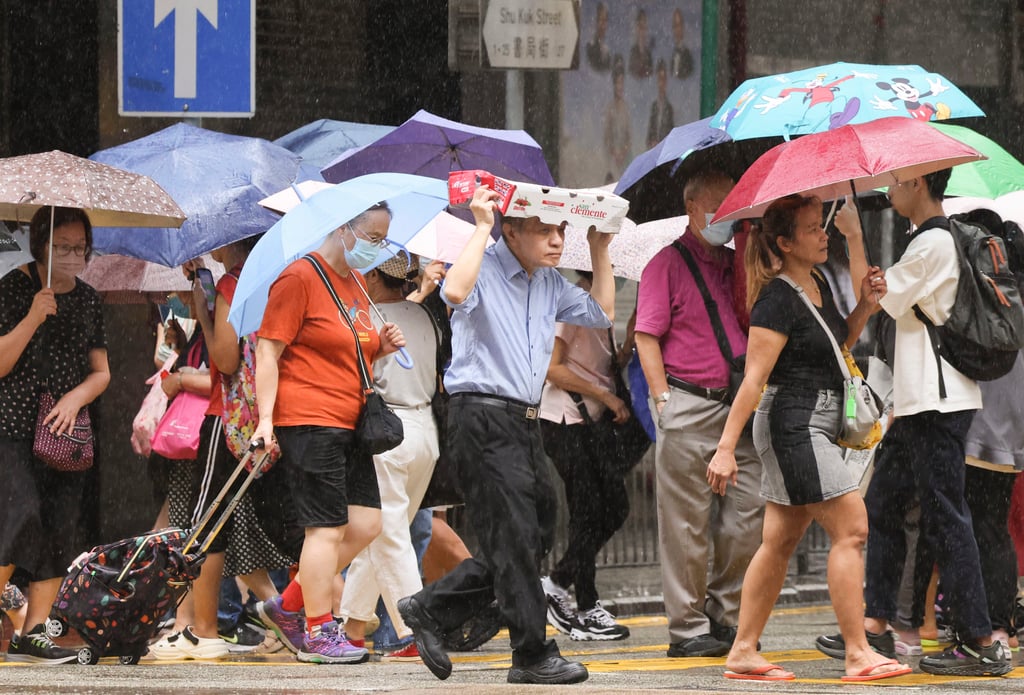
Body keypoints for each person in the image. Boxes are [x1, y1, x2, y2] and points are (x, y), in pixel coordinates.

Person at [397, 184, 616, 685]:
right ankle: (532, 652)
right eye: (544, 230)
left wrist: (600, 251)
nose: (557, 240)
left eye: (560, 230)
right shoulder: (483, 263)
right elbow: (453, 293)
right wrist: (479, 227)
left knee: (539, 527)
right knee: (516, 537)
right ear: (510, 230)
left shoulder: (549, 281)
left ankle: (430, 607)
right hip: (481, 416)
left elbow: (601, 314)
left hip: (525, 419)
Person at [706, 195, 910, 681]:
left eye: (823, 227)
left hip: (813, 420)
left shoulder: (815, 283)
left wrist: (866, 303)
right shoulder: (775, 300)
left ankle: (742, 650)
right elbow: (755, 380)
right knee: (852, 527)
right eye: (813, 229)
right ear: (784, 243)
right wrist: (725, 448)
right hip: (793, 424)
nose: (824, 235)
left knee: (779, 539)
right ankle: (858, 653)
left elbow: (836, 345)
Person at [858, 169, 1013, 677]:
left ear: (920, 183)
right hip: (919, 399)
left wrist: (854, 239)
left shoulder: (932, 242)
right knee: (883, 501)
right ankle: (874, 625)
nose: (890, 189)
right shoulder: (924, 240)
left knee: (947, 515)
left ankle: (978, 640)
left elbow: (883, 300)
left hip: (937, 401)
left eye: (897, 180)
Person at [252, 202, 405, 664]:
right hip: (309, 418)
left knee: (366, 524)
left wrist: (381, 346)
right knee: (326, 528)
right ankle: (318, 631)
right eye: (373, 237)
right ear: (343, 227)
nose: (378, 248)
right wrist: (264, 419)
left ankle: (289, 607)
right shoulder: (299, 277)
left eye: (384, 238)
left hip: (350, 420)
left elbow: (347, 352)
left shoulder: (355, 283)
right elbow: (267, 351)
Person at [634, 171, 764, 658]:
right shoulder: (665, 263)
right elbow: (645, 336)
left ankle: (726, 613)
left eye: (732, 209)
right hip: (688, 401)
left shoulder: (738, 261)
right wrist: (663, 399)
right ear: (691, 208)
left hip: (739, 404)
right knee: (685, 524)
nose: (724, 218)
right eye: (717, 208)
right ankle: (687, 627)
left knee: (748, 516)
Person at [150, 236, 292, 660]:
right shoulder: (278, 279)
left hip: (227, 416)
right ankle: (300, 617)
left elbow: (226, 360)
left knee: (206, 523)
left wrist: (204, 316)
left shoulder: (233, 283)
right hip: (274, 417)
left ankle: (203, 629)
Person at [0, 206, 110, 663]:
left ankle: (34, 632)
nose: (71, 257)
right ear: (39, 245)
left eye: (79, 248)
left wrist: (74, 399)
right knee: (19, 518)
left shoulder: (88, 299)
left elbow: (102, 372)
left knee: (59, 529)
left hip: (65, 435)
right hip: (12, 427)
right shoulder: (13, 288)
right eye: (61, 248)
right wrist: (32, 316)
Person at [338, 253, 440, 660]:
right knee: (378, 535)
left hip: (387, 429)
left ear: (377, 274)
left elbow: (359, 376)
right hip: (424, 430)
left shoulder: (368, 316)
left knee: (385, 533)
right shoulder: (426, 316)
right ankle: (351, 628)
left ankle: (416, 631)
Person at [539, 270, 632, 642]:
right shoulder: (572, 306)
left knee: (614, 506)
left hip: (588, 421)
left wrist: (626, 348)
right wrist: (606, 396)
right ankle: (586, 607)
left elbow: (599, 366)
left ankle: (559, 581)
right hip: (564, 418)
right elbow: (553, 368)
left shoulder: (601, 309)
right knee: (588, 510)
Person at [604, 56, 632, 183]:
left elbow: (629, 135)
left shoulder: (626, 108)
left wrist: (623, 152)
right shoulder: (610, 108)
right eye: (618, 83)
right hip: (612, 157)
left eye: (622, 83)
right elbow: (607, 135)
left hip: (625, 157)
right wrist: (614, 152)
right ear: (614, 85)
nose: (620, 86)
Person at [647, 59, 675, 149]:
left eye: (663, 79)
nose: (661, 84)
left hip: (664, 150)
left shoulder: (669, 108)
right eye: (659, 79)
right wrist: (652, 142)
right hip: (654, 150)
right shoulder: (654, 106)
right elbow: (650, 132)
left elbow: (671, 132)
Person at [585, 2, 611, 72]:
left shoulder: (607, 51)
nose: (603, 25)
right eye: (601, 19)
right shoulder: (590, 46)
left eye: (605, 20)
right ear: (596, 21)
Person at [628, 8, 653, 79]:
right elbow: (632, 73)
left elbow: (650, 74)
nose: (642, 30)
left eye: (644, 26)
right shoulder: (633, 52)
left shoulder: (649, 53)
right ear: (637, 28)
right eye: (640, 26)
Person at [670, 8, 694, 80]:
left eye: (679, 24)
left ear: (683, 26)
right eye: (675, 25)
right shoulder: (669, 52)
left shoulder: (688, 53)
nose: (677, 29)